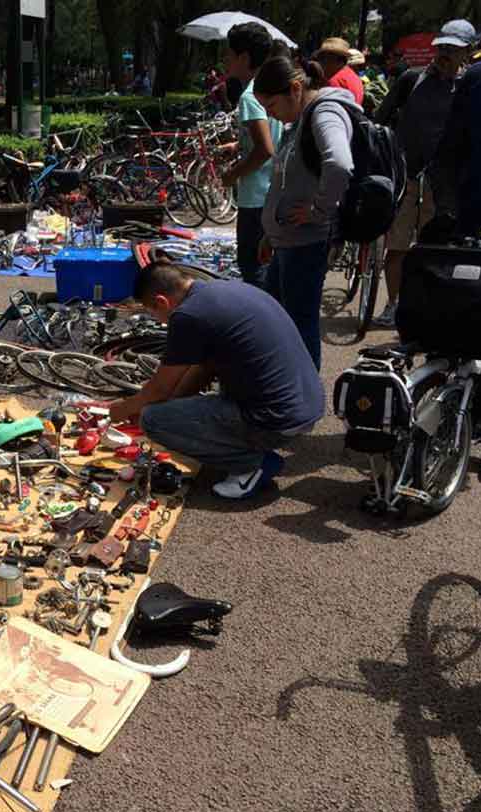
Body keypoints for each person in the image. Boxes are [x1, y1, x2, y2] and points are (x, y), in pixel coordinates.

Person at [107, 262, 324, 500]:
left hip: (276, 419)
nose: (158, 320)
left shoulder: (187, 315)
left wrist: (121, 410)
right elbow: (204, 368)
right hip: (306, 405)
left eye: (152, 312)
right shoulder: (225, 290)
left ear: (161, 302)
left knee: (152, 421)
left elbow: (159, 389)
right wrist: (170, 407)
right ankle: (249, 446)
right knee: (164, 413)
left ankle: (251, 465)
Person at [429, 7, 481, 473]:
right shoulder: (477, 81)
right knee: (462, 314)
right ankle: (462, 412)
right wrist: (446, 208)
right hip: (474, 219)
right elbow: (448, 150)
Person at [372, 19, 477, 327]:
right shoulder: (411, 79)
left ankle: (429, 308)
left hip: (445, 184)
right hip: (406, 177)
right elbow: (381, 119)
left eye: (452, 49)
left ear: (468, 52)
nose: (444, 54)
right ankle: (394, 305)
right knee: (398, 247)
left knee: (436, 250)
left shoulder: (471, 86)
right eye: (441, 47)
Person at [254, 57, 356, 370]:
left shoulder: (324, 113)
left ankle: (305, 399)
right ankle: (289, 390)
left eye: (271, 105)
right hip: (288, 241)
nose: (270, 114)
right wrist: (269, 233)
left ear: (296, 89)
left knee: (300, 324)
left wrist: (318, 210)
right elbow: (288, 180)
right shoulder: (298, 118)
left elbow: (339, 164)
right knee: (273, 316)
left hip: (306, 243)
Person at [221, 23, 284, 290]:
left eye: (229, 54)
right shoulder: (270, 88)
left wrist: (232, 174)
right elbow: (272, 137)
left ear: (244, 58)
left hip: (256, 197)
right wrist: (238, 145)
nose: (225, 59)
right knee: (267, 266)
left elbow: (264, 149)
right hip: (273, 193)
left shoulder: (249, 96)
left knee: (253, 266)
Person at [314, 37, 364, 105]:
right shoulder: (354, 76)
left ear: (331, 59)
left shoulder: (334, 81)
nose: (320, 62)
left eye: (322, 58)